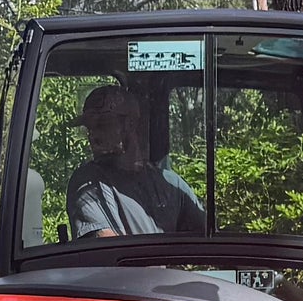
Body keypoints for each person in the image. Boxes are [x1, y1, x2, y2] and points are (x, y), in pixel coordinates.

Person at [67, 85, 206, 238]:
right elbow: (106, 247)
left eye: (103, 125)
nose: (93, 136)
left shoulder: (169, 183)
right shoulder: (89, 182)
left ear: (130, 124)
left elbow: (206, 238)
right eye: (89, 128)